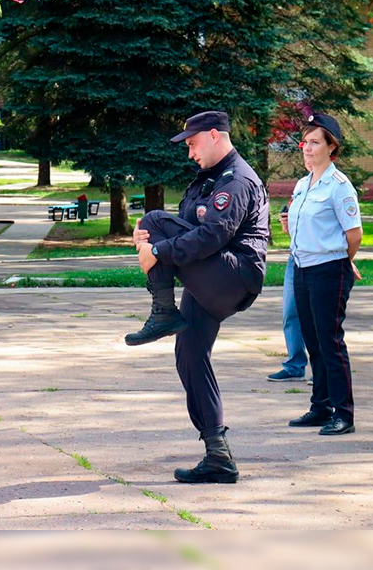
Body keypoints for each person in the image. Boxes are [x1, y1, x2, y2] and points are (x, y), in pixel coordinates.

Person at [127, 110, 269, 484]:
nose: (190, 152)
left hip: (233, 275)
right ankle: (218, 456)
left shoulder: (236, 179)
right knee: (189, 356)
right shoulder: (206, 180)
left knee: (155, 220)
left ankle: (162, 312)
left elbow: (212, 236)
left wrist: (158, 250)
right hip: (210, 275)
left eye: (192, 144)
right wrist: (149, 242)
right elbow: (188, 228)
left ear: (214, 136)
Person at [286, 114, 363, 436]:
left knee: (330, 342)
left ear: (332, 147)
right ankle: (320, 406)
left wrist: (341, 261)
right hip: (303, 268)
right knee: (313, 340)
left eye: (315, 141)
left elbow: (354, 234)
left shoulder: (339, 186)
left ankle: (343, 412)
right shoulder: (304, 183)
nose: (307, 147)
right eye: (305, 142)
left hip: (329, 270)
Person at [266, 203, 309, 383]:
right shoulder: (301, 188)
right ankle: (295, 366)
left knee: (319, 317)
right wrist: (289, 225)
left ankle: (323, 371)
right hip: (296, 257)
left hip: (320, 258)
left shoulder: (335, 186)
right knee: (291, 313)